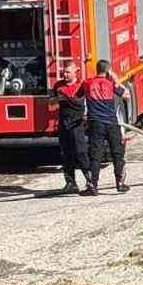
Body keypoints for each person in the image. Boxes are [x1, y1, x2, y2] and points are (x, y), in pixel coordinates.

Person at [82, 60, 128, 195]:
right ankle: (120, 184)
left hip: (95, 123)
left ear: (97, 69)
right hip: (111, 123)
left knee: (95, 155)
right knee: (117, 153)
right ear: (108, 71)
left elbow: (78, 96)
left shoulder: (88, 83)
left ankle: (93, 186)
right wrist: (116, 79)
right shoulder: (111, 84)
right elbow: (126, 95)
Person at [51, 63, 88, 194]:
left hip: (77, 123)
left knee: (81, 151)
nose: (64, 75)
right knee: (66, 153)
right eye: (64, 72)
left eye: (67, 72)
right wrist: (57, 99)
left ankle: (90, 180)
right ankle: (70, 183)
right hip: (64, 123)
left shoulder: (82, 85)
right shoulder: (58, 85)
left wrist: (67, 98)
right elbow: (50, 102)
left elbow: (84, 101)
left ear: (75, 72)